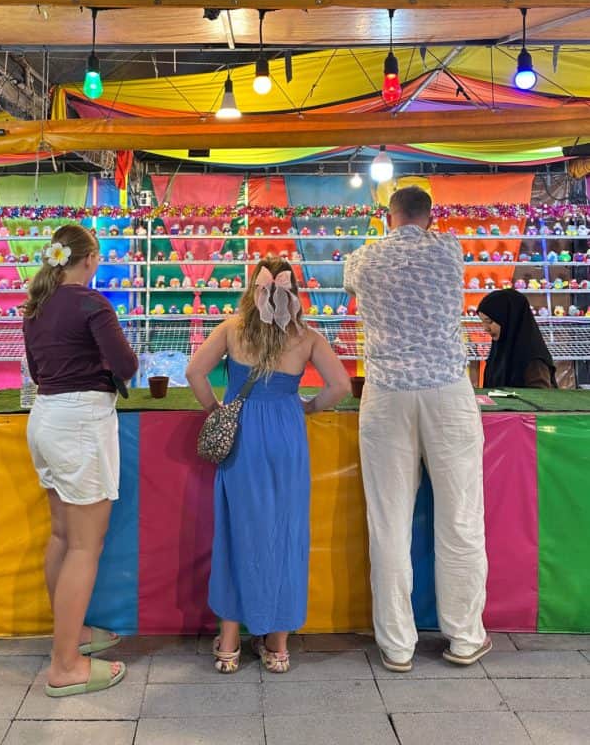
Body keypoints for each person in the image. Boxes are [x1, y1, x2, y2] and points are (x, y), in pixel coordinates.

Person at [344, 186, 490, 672]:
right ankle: (465, 637)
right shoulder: (449, 249)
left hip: (386, 393)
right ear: (430, 217)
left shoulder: (362, 259)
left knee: (388, 522)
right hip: (447, 389)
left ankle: (397, 645)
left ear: (388, 216)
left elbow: (350, 290)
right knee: (461, 517)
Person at [186, 257, 350, 675]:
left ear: (251, 290)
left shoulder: (231, 329)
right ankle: (277, 645)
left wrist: (219, 410)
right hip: (287, 437)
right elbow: (341, 387)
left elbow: (194, 373)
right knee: (284, 533)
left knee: (238, 533)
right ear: (292, 293)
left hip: (243, 436)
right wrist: (308, 407)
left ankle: (228, 643)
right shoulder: (307, 337)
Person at [23, 224, 139, 698]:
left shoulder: (37, 306)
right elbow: (127, 365)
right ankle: (65, 665)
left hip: (45, 418)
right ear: (89, 259)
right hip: (81, 424)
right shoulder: (92, 303)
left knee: (62, 535)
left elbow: (35, 370)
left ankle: (72, 638)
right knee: (84, 547)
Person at [478, 288, 557, 389]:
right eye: (482, 322)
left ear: (509, 319)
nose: (485, 328)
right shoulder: (499, 351)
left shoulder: (533, 361)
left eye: (489, 321)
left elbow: (540, 399)